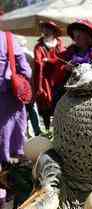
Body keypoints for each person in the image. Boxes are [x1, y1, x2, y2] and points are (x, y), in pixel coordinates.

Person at [0, 31, 32, 171]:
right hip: (8, 93)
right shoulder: (8, 38)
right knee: (11, 127)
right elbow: (26, 70)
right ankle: (9, 166)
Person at [34, 21, 65, 132]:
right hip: (45, 79)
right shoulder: (39, 46)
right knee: (46, 104)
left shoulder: (59, 43)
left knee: (60, 103)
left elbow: (62, 58)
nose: (46, 31)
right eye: (45, 28)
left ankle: (60, 129)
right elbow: (38, 63)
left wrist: (50, 60)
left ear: (54, 30)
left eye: (49, 28)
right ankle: (48, 130)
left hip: (58, 78)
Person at [15, 35, 42, 136]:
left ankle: (25, 132)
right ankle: (36, 130)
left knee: (23, 110)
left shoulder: (17, 54)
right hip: (30, 84)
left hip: (21, 85)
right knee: (31, 109)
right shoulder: (31, 54)